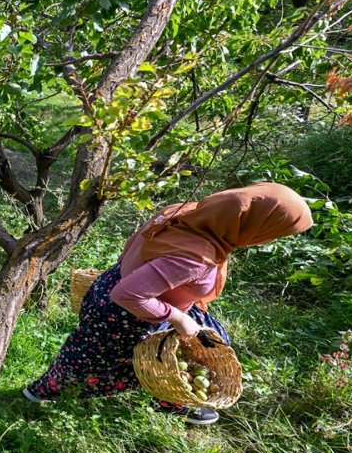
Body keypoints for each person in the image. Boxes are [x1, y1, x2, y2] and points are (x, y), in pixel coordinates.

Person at [23, 182, 314, 425]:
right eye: (274, 232)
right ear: (254, 225)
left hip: (111, 288)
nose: (267, 240)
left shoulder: (190, 213)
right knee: (93, 360)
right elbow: (127, 295)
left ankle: (170, 397)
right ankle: (41, 392)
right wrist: (178, 317)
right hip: (125, 314)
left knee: (207, 342)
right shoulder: (193, 257)